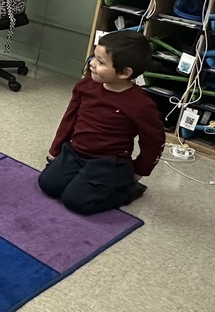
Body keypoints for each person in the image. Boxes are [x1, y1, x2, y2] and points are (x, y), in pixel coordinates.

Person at [39, 31, 164, 215]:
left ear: (124, 73)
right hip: (76, 152)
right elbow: (69, 118)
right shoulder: (85, 86)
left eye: (101, 62)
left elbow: (154, 140)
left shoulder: (141, 104)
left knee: (75, 201)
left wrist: (140, 170)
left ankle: (127, 190)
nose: (92, 64)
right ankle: (81, 178)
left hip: (109, 162)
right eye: (94, 57)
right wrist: (55, 149)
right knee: (48, 185)